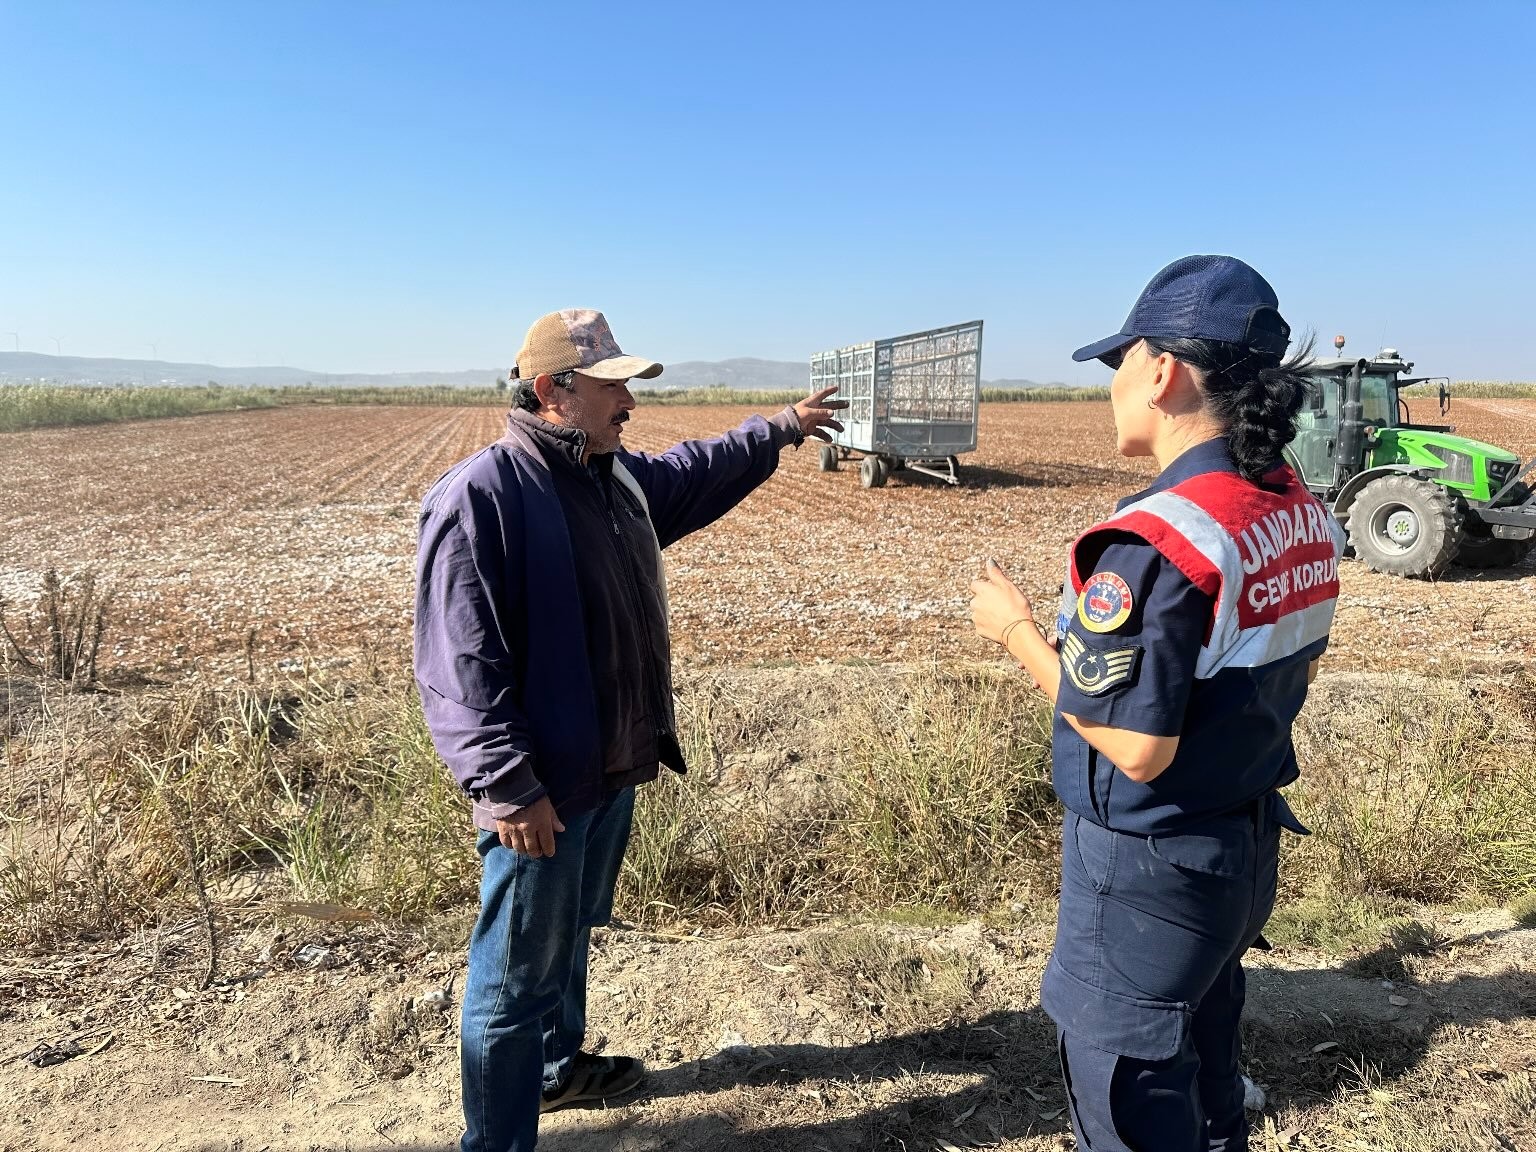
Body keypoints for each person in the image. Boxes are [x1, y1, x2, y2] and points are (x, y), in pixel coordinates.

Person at [413, 308, 847, 1152]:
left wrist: (781, 429)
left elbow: (696, 470)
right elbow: (460, 665)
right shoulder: (483, 498)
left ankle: (558, 1070)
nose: (630, 404)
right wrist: (508, 785)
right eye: (613, 386)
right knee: (509, 984)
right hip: (540, 791)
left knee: (571, 933)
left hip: (611, 768)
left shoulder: (614, 482)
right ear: (553, 392)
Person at [969, 256, 1343, 1151]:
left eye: (1119, 365)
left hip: (1149, 872)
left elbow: (1134, 746)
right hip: (1242, 844)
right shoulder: (1296, 506)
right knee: (1211, 1070)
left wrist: (1016, 631)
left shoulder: (1161, 539)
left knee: (1130, 1098)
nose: (1114, 389)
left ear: (1164, 371)